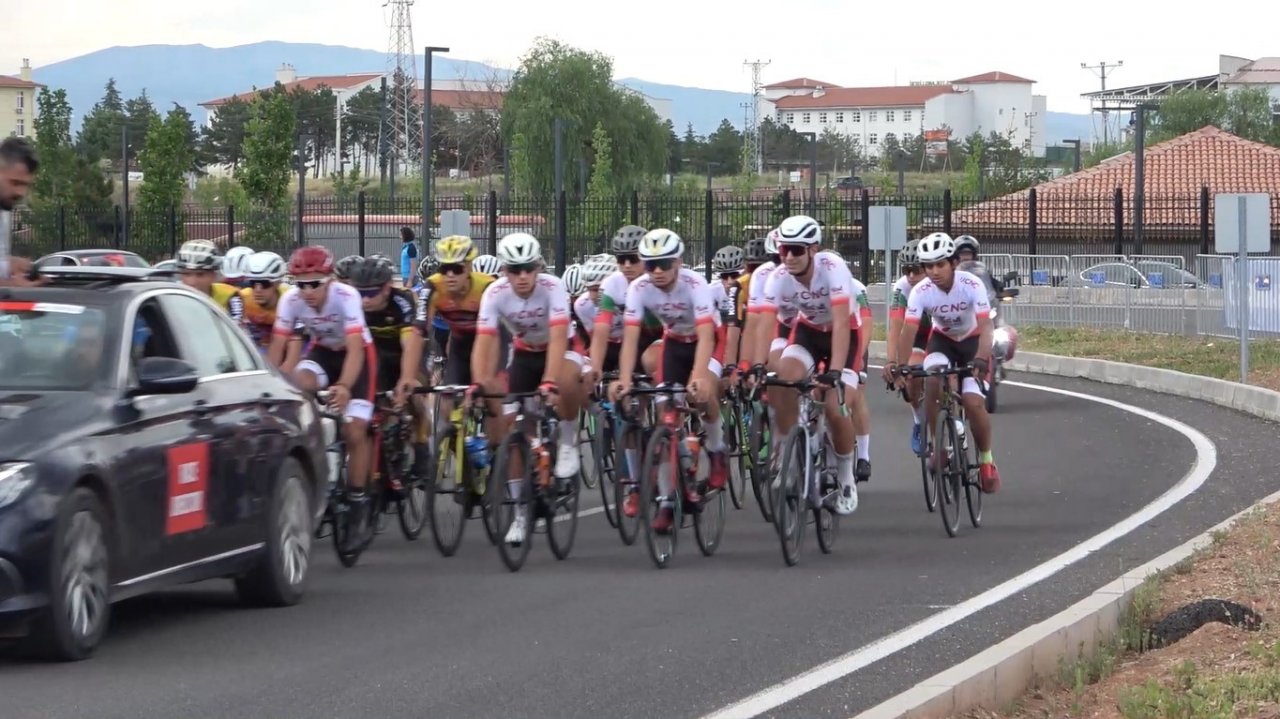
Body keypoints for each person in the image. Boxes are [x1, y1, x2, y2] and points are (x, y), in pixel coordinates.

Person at [608, 228, 730, 531]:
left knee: (702, 395)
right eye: (650, 265)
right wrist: (623, 379)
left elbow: (705, 336)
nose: (657, 271)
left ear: (679, 262)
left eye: (664, 264)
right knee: (666, 418)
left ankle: (717, 450)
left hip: (707, 340)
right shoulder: (639, 288)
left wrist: (700, 376)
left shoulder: (695, 284)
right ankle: (666, 500)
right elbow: (630, 337)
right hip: (675, 342)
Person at [471, 232, 586, 546]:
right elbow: (485, 341)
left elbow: (560, 335)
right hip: (524, 355)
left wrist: (549, 381)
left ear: (538, 267)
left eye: (528, 269)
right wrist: (479, 381)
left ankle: (565, 439)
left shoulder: (553, 287)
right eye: (514, 270)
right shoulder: (494, 293)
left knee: (561, 382)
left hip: (560, 349)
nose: (522, 277)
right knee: (514, 431)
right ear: (505, 271)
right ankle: (521, 513)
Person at [753, 215, 871, 515]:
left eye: (796, 250)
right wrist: (755, 365)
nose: (788, 257)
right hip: (808, 332)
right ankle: (788, 448)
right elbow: (765, 324)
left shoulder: (833, 269)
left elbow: (843, 323)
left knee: (834, 407)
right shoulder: (778, 277)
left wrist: (835, 371)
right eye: (783, 250)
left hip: (844, 335)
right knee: (780, 378)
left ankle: (845, 477)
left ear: (813, 249)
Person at [267, 246, 378, 536]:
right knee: (298, 383)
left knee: (355, 431)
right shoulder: (290, 301)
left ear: (329, 280)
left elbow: (356, 349)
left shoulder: (346, 296)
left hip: (358, 357)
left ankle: (357, 500)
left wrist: (343, 386)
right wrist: (267, 387)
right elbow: (277, 350)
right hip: (323, 353)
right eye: (300, 284)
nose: (307, 292)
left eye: (314, 283)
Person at [888, 232, 1001, 493]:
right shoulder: (921, 291)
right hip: (943, 342)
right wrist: (900, 366)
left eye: (940, 264)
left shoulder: (971, 284)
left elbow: (986, 326)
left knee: (973, 403)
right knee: (932, 381)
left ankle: (986, 460)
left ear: (952, 263)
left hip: (973, 342)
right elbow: (908, 330)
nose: (934, 271)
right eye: (929, 266)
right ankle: (938, 445)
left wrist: (982, 358)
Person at [349, 254, 424, 411]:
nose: (365, 300)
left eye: (371, 294)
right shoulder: (351, 303)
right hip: (375, 352)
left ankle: (426, 426)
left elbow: (409, 345)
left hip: (402, 350)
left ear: (387, 288)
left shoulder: (402, 300)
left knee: (415, 386)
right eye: (360, 294)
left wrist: (406, 377)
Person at [881, 239, 931, 454]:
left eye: (916, 270)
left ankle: (956, 418)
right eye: (906, 270)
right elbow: (896, 327)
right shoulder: (902, 287)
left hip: (942, 332)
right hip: (917, 333)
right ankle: (919, 422)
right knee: (912, 377)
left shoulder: (938, 282)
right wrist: (893, 361)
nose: (911, 276)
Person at [0, 137, 42, 287]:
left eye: (25, 185)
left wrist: (8, 263)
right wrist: (14, 287)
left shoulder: (4, 208)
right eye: (15, 183)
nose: (21, 192)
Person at [175, 239, 241, 315]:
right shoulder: (170, 298)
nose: (192, 282)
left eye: (200, 275)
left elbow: (235, 325)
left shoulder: (230, 296)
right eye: (187, 274)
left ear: (214, 275)